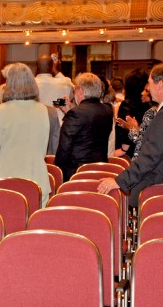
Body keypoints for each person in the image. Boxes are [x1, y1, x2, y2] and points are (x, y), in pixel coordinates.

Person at [99, 65, 163, 208]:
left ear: (160, 85)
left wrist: (119, 181)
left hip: (155, 189)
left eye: (150, 83)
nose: (148, 88)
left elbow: (150, 156)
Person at [0, 63, 51, 207]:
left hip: (7, 180)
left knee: (9, 225)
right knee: (35, 225)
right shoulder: (42, 110)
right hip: (37, 179)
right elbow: (42, 147)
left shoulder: (1, 111)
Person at [54, 73, 114, 181]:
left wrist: (58, 170)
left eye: (74, 90)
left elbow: (64, 148)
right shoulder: (107, 111)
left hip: (77, 173)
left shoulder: (76, 113)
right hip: (100, 170)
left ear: (80, 90)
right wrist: (69, 112)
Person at [35, 54, 74, 124]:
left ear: (37, 67)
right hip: (58, 124)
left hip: (37, 123)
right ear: (52, 67)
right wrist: (55, 70)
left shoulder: (30, 84)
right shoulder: (63, 83)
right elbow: (73, 92)